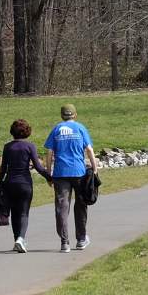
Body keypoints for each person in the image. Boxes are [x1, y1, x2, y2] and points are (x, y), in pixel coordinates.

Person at [44, 103, 96, 253]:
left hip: (60, 174)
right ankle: (81, 239)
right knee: (80, 206)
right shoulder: (80, 128)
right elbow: (89, 149)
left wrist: (49, 173)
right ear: (75, 114)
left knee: (62, 207)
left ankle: (64, 242)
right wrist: (95, 168)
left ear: (62, 116)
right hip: (79, 172)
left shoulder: (56, 129)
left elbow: (49, 152)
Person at [0, 119, 49, 253]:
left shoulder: (7, 147)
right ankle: (20, 238)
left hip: (9, 183)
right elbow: (38, 167)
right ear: (27, 132)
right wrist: (49, 177)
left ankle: (17, 240)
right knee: (23, 213)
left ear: (12, 132)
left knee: (14, 213)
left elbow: (3, 168)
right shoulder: (29, 146)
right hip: (25, 183)